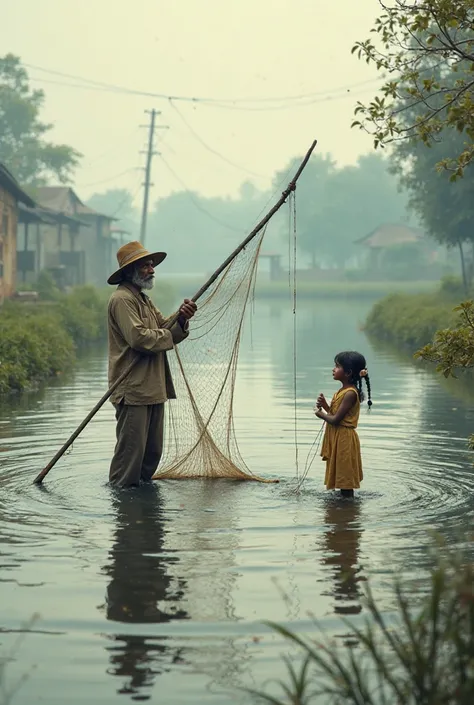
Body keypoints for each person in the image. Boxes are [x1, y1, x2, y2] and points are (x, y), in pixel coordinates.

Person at [107, 240, 197, 487]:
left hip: (154, 388)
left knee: (151, 456)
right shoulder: (122, 300)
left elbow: (163, 327)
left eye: (151, 265)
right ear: (130, 270)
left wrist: (181, 317)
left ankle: (144, 511)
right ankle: (124, 509)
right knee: (129, 462)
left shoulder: (144, 300)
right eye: (146, 265)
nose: (152, 269)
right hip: (133, 389)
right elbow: (139, 338)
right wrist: (170, 333)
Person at [315, 351, 372, 498]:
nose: (333, 369)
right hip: (338, 437)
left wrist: (319, 413)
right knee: (340, 475)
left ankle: (347, 510)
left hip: (344, 439)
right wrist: (326, 406)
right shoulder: (342, 391)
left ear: (348, 372)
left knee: (345, 480)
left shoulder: (350, 393)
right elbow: (335, 414)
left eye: (337, 366)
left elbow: (335, 420)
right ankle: (345, 512)